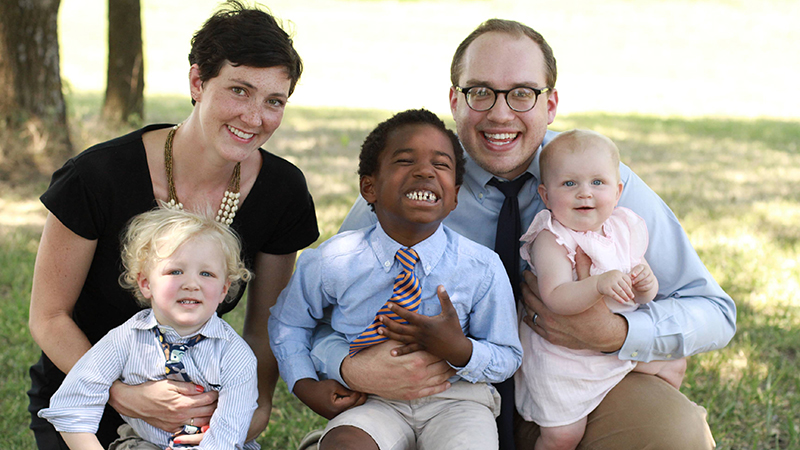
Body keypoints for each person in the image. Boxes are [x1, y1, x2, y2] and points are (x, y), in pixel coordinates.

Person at [318, 18, 736, 450]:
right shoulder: (410, 182)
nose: (500, 114)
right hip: (433, 398)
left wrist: (615, 333)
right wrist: (349, 367)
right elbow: (315, 312)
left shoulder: (598, 181)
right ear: (455, 101)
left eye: (522, 93)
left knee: (676, 435)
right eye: (480, 91)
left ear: (550, 104)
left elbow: (714, 312)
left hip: (575, 388)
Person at [27, 2, 319, 448]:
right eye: (239, 90)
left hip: (199, 414)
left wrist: (250, 412)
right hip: (87, 397)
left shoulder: (282, 191)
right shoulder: (96, 177)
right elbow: (49, 318)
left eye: (274, 101)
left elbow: (263, 330)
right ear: (197, 82)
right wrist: (123, 396)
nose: (255, 118)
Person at [270, 109, 523, 450]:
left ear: (454, 196)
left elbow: (507, 355)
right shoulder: (332, 261)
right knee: (345, 445)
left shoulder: (481, 267)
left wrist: (460, 350)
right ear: (369, 187)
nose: (425, 171)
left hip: (457, 400)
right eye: (405, 161)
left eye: (441, 164)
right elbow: (289, 323)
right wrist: (304, 384)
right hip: (371, 398)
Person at [515, 129, 687, 450]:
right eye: (570, 184)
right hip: (565, 359)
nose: (585, 193)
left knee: (675, 363)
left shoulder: (623, 228)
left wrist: (645, 284)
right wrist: (596, 284)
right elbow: (555, 297)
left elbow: (638, 293)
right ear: (546, 195)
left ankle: (644, 411)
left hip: (613, 348)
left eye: (597, 182)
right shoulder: (552, 238)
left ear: (617, 191)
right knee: (563, 437)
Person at [39, 207, 259, 450]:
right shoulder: (125, 339)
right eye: (176, 271)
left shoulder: (236, 356)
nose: (192, 284)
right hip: (144, 442)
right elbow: (72, 403)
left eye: (206, 273)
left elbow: (229, 435)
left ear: (224, 289)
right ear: (146, 283)